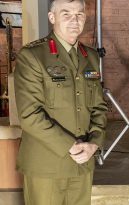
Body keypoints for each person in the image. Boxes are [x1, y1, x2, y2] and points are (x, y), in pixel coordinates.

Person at [14, 0, 107, 204]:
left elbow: (99, 107)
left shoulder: (90, 56)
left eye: (79, 15)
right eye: (66, 14)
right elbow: (30, 115)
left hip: (83, 163)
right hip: (46, 165)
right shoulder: (32, 56)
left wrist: (94, 143)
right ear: (52, 17)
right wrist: (71, 146)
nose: (74, 20)